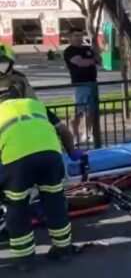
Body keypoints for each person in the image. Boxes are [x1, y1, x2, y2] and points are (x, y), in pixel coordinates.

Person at [0, 43, 81, 272]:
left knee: (17, 206)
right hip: (51, 156)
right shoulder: (35, 106)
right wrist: (73, 152)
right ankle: (63, 249)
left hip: (17, 162)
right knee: (54, 201)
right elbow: (64, 131)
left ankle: (24, 260)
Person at [63, 28, 101, 144]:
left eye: (80, 35)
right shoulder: (69, 51)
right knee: (78, 112)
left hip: (92, 83)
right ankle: (73, 136)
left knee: (91, 111)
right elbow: (80, 63)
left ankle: (87, 133)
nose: (79, 38)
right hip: (80, 84)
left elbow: (99, 59)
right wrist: (93, 61)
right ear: (70, 37)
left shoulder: (87, 48)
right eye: (76, 35)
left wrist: (95, 55)